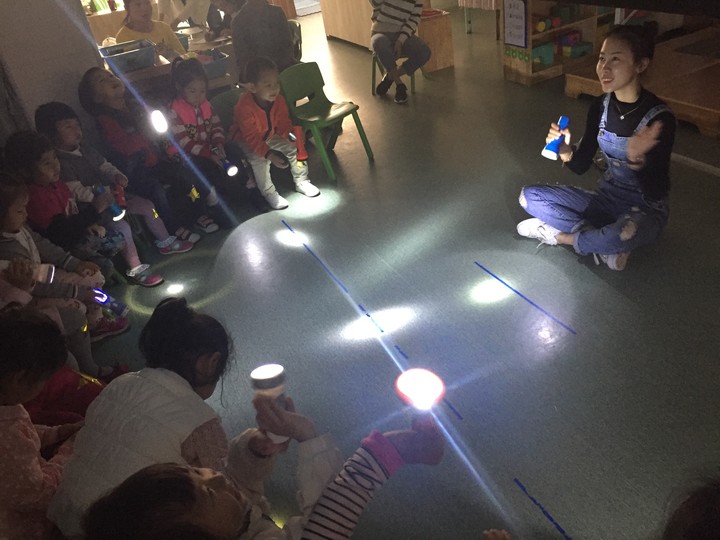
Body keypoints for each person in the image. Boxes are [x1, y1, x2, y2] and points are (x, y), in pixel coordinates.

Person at [81, 394, 444, 540]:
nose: (215, 476)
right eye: (209, 494)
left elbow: (236, 480)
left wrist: (256, 450)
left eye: (196, 471)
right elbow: (325, 526)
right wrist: (384, 453)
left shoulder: (228, 519)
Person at [49, 297, 268, 538]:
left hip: (66, 516)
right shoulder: (200, 422)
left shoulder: (119, 383)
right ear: (210, 362)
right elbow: (226, 496)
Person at [516, 25, 676, 271]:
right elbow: (581, 165)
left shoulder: (659, 119)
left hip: (645, 208)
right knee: (528, 197)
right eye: (602, 59)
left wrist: (637, 160)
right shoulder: (600, 106)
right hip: (606, 198)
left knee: (620, 235)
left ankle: (561, 237)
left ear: (640, 65)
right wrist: (565, 150)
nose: (604, 68)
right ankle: (598, 241)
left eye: (615, 59)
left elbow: (658, 192)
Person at [0, 177, 129, 372]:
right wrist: (79, 293)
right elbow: (39, 285)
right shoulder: (8, 252)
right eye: (19, 210)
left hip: (42, 279)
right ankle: (89, 367)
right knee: (77, 311)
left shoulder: (20, 229)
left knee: (94, 277)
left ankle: (95, 324)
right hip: (30, 299)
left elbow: (44, 246)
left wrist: (75, 264)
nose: (26, 213)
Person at [3, 131, 164, 287]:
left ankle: (135, 266)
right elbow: (60, 234)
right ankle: (106, 286)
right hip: (68, 246)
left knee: (120, 235)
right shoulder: (35, 197)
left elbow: (72, 211)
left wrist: (90, 223)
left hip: (81, 231)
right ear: (25, 171)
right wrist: (94, 210)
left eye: (55, 158)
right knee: (106, 261)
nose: (55, 165)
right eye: (46, 163)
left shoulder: (57, 183)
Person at [35, 101, 196, 256]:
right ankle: (135, 264)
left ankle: (165, 240)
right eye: (68, 127)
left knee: (149, 207)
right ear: (51, 134)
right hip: (97, 208)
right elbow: (76, 191)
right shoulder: (60, 162)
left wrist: (117, 175)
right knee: (122, 228)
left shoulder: (85, 148)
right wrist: (103, 195)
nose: (76, 130)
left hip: (117, 195)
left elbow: (105, 165)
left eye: (77, 124)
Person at [79, 66, 222, 238]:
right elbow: (125, 146)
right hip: (134, 172)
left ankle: (198, 214)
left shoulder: (135, 106)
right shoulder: (105, 121)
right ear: (96, 97)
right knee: (156, 191)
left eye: (110, 76)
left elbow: (158, 129)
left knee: (184, 175)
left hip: (154, 161)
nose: (110, 80)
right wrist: (145, 134)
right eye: (102, 80)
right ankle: (173, 227)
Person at [0, 305, 84, 540]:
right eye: (44, 380)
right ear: (19, 378)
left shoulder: (7, 405)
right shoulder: (7, 437)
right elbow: (40, 495)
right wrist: (68, 451)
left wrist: (59, 433)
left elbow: (24, 432)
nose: (45, 386)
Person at [168, 57, 268, 213]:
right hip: (192, 154)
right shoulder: (174, 111)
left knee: (234, 151)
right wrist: (209, 153)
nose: (198, 96)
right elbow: (183, 142)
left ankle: (250, 188)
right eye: (192, 91)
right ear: (180, 88)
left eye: (202, 91)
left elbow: (216, 125)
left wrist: (218, 143)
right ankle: (214, 203)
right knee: (203, 169)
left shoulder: (206, 105)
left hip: (211, 147)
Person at [231, 57, 319, 210]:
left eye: (276, 83)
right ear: (252, 87)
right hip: (246, 141)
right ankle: (269, 192)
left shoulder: (279, 101)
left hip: (269, 135)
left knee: (294, 147)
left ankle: (302, 181)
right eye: (268, 85)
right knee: (260, 159)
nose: (274, 89)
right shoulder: (243, 108)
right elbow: (252, 138)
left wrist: (292, 136)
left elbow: (283, 124)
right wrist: (269, 154)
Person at [370, 0, 431, 105]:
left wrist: (400, 41)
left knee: (424, 52)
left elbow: (413, 20)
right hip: (380, 31)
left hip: (402, 34)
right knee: (380, 42)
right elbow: (375, 3)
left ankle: (390, 77)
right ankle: (399, 84)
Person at [232, 0, 295, 82]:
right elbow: (243, 59)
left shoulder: (277, 12)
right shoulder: (238, 21)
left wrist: (281, 68)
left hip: (284, 67)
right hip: (257, 75)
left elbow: (288, 45)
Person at [117, 0, 187, 59]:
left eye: (147, 3)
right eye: (138, 5)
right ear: (127, 8)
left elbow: (183, 56)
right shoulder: (123, 37)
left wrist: (169, 53)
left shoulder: (163, 27)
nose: (145, 8)